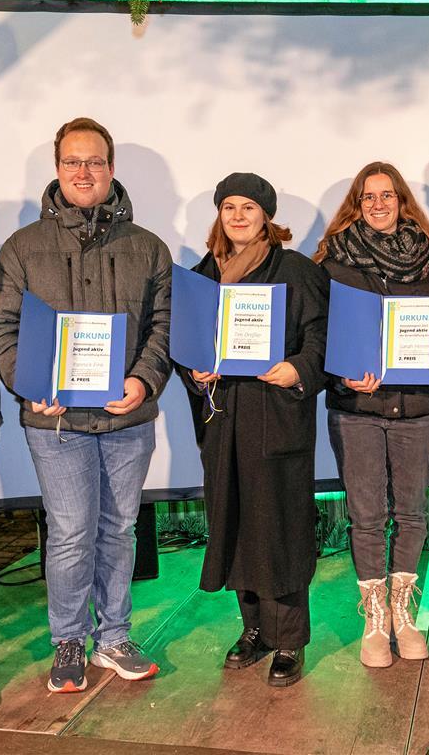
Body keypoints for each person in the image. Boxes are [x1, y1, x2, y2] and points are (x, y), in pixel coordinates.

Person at [0, 118, 172, 693]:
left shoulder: (148, 248)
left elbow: (164, 326)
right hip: (56, 420)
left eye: (94, 162)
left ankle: (113, 636)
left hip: (127, 418)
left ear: (111, 169)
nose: (84, 172)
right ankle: (68, 640)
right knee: (69, 533)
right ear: (57, 169)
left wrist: (142, 381)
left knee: (118, 529)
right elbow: (2, 330)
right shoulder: (23, 248)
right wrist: (28, 382)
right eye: (73, 162)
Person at [178, 173, 328, 687]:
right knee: (237, 527)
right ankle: (254, 630)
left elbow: (322, 341)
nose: (238, 215)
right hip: (223, 423)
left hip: (276, 418)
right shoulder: (201, 276)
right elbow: (188, 344)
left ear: (267, 215)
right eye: (229, 207)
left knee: (279, 529)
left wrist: (299, 370)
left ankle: (288, 640)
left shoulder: (295, 272)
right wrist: (196, 371)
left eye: (249, 207)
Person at [313, 162, 429, 668]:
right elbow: (317, 340)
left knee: (413, 513)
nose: (378, 204)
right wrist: (341, 375)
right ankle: (374, 621)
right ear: (357, 203)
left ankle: (403, 614)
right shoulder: (334, 265)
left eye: (388, 196)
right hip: (357, 408)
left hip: (417, 408)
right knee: (367, 515)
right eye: (368, 196)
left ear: (402, 202)